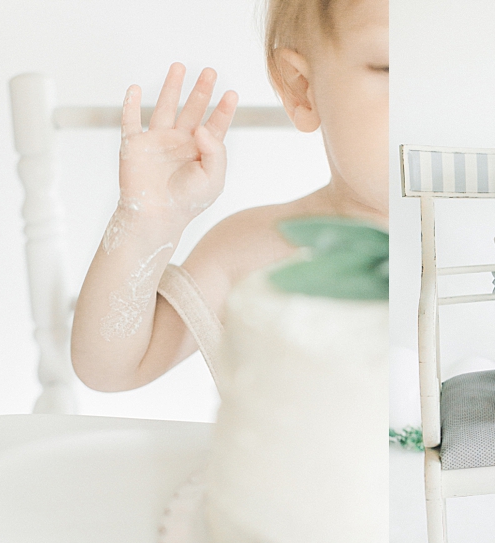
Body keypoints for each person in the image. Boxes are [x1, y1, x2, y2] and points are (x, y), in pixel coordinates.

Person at [71, 0, 388, 391]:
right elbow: (111, 369)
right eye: (390, 69)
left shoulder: (482, 244)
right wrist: (146, 219)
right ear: (302, 87)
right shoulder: (252, 250)